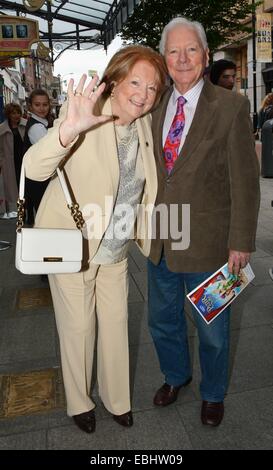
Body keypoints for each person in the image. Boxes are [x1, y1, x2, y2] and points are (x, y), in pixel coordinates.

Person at [23, 45, 166, 434]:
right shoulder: (88, 118)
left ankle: (117, 399)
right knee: (79, 329)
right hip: (75, 248)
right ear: (115, 81)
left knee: (117, 325)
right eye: (136, 81)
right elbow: (34, 167)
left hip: (115, 250)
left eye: (153, 88)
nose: (144, 93)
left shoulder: (142, 126)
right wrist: (67, 131)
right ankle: (79, 402)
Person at [148, 17, 260, 427]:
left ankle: (213, 393)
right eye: (174, 51)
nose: (182, 58)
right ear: (164, 58)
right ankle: (175, 376)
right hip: (160, 237)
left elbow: (245, 182)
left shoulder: (231, 106)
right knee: (162, 320)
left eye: (190, 49)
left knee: (212, 327)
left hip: (212, 243)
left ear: (206, 55)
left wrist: (241, 241)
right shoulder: (152, 103)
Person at [24, 89, 52, 225]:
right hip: (39, 180)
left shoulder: (42, 123)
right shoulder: (36, 128)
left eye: (45, 104)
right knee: (44, 217)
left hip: (38, 178)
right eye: (37, 104)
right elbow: (50, 153)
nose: (41, 108)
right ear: (30, 106)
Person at [0, 103, 26, 219]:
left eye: (18, 113)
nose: (16, 116)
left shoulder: (25, 125)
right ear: (8, 115)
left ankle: (26, 209)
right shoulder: (2, 129)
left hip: (24, 160)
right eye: (13, 113)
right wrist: (2, 161)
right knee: (11, 187)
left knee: (25, 185)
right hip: (9, 162)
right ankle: (13, 210)